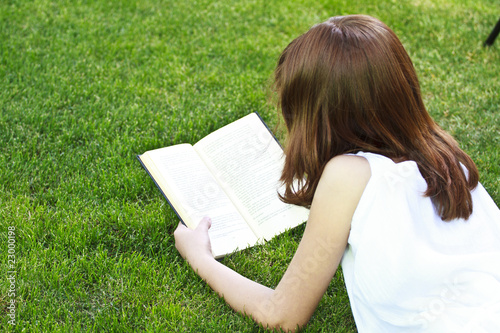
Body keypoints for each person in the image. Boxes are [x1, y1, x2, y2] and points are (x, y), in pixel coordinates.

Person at [174, 15, 500, 332]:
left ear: (316, 116)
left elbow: (282, 315)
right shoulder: (446, 154)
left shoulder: (347, 176)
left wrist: (200, 257)